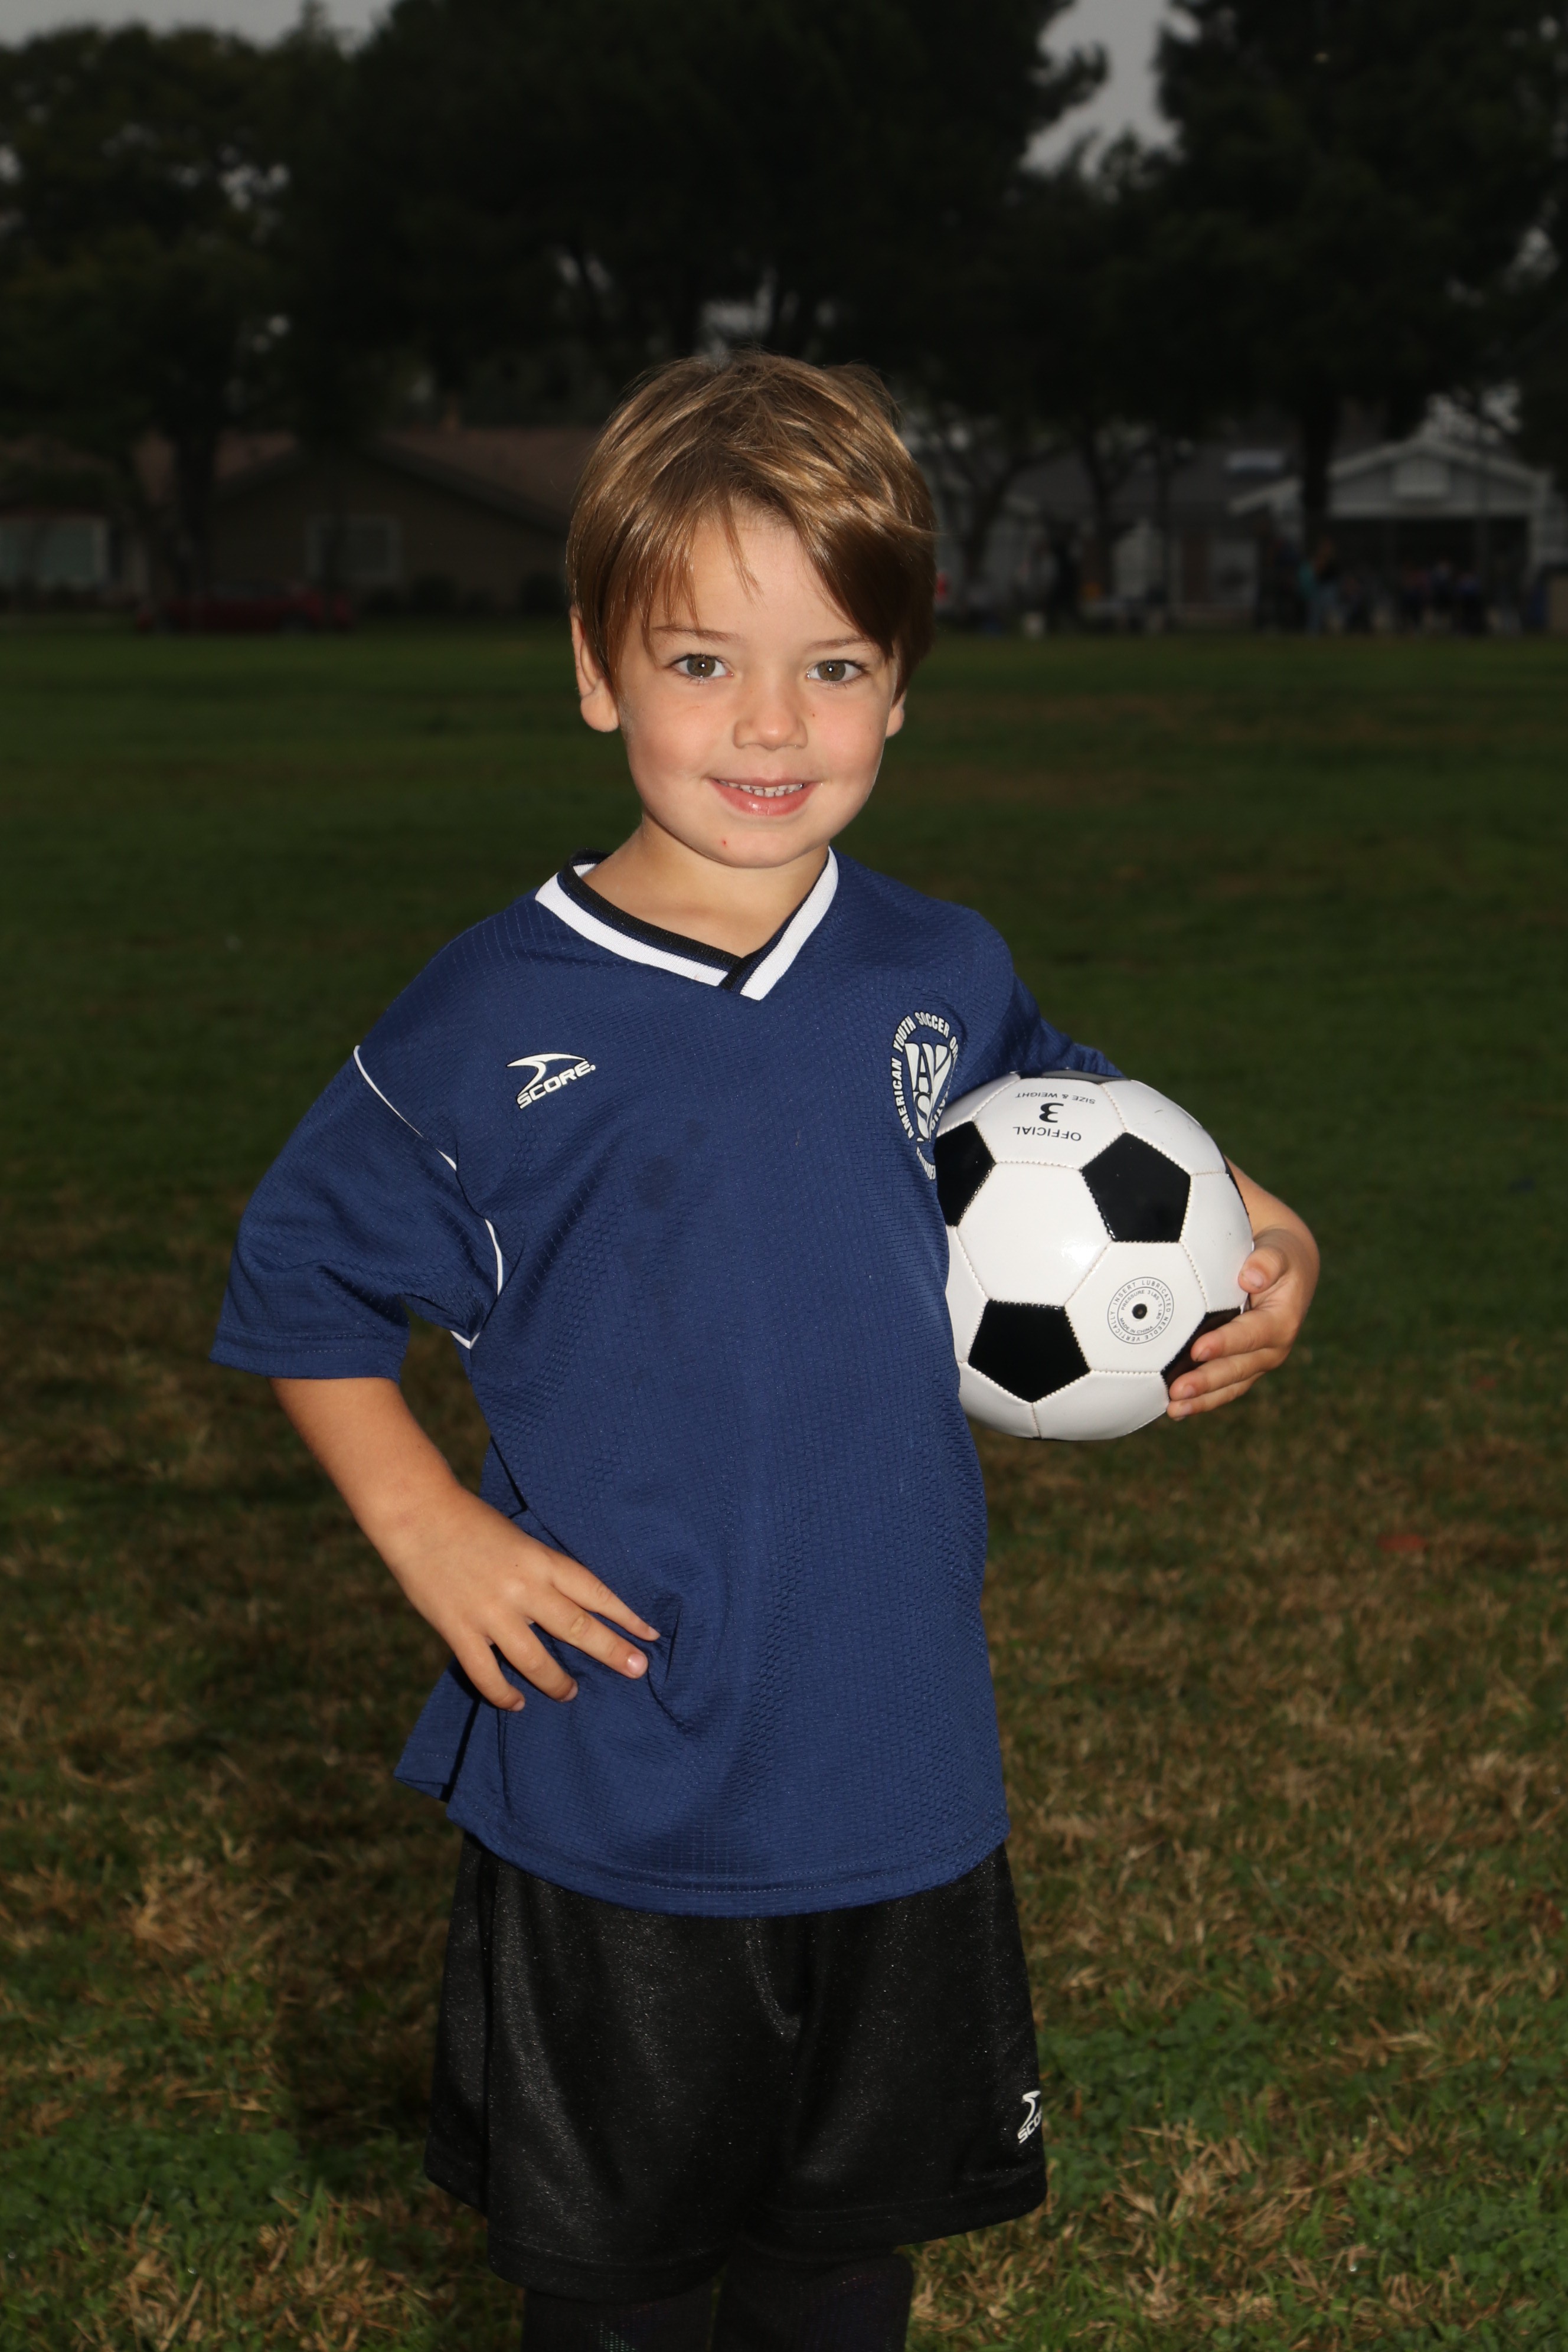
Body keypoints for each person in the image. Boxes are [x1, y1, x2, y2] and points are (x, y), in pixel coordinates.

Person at [212, 354, 1319, 2352]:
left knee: (844, 2271)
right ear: (596, 673)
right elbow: (302, 1274)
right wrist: (427, 1527)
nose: (770, 725)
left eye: (833, 667)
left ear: (902, 685)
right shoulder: (488, 1014)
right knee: (616, 2298)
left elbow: (1103, 1130)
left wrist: (1274, 1232)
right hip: (619, 1787)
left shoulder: (938, 968)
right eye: (703, 663)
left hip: (899, 1777)